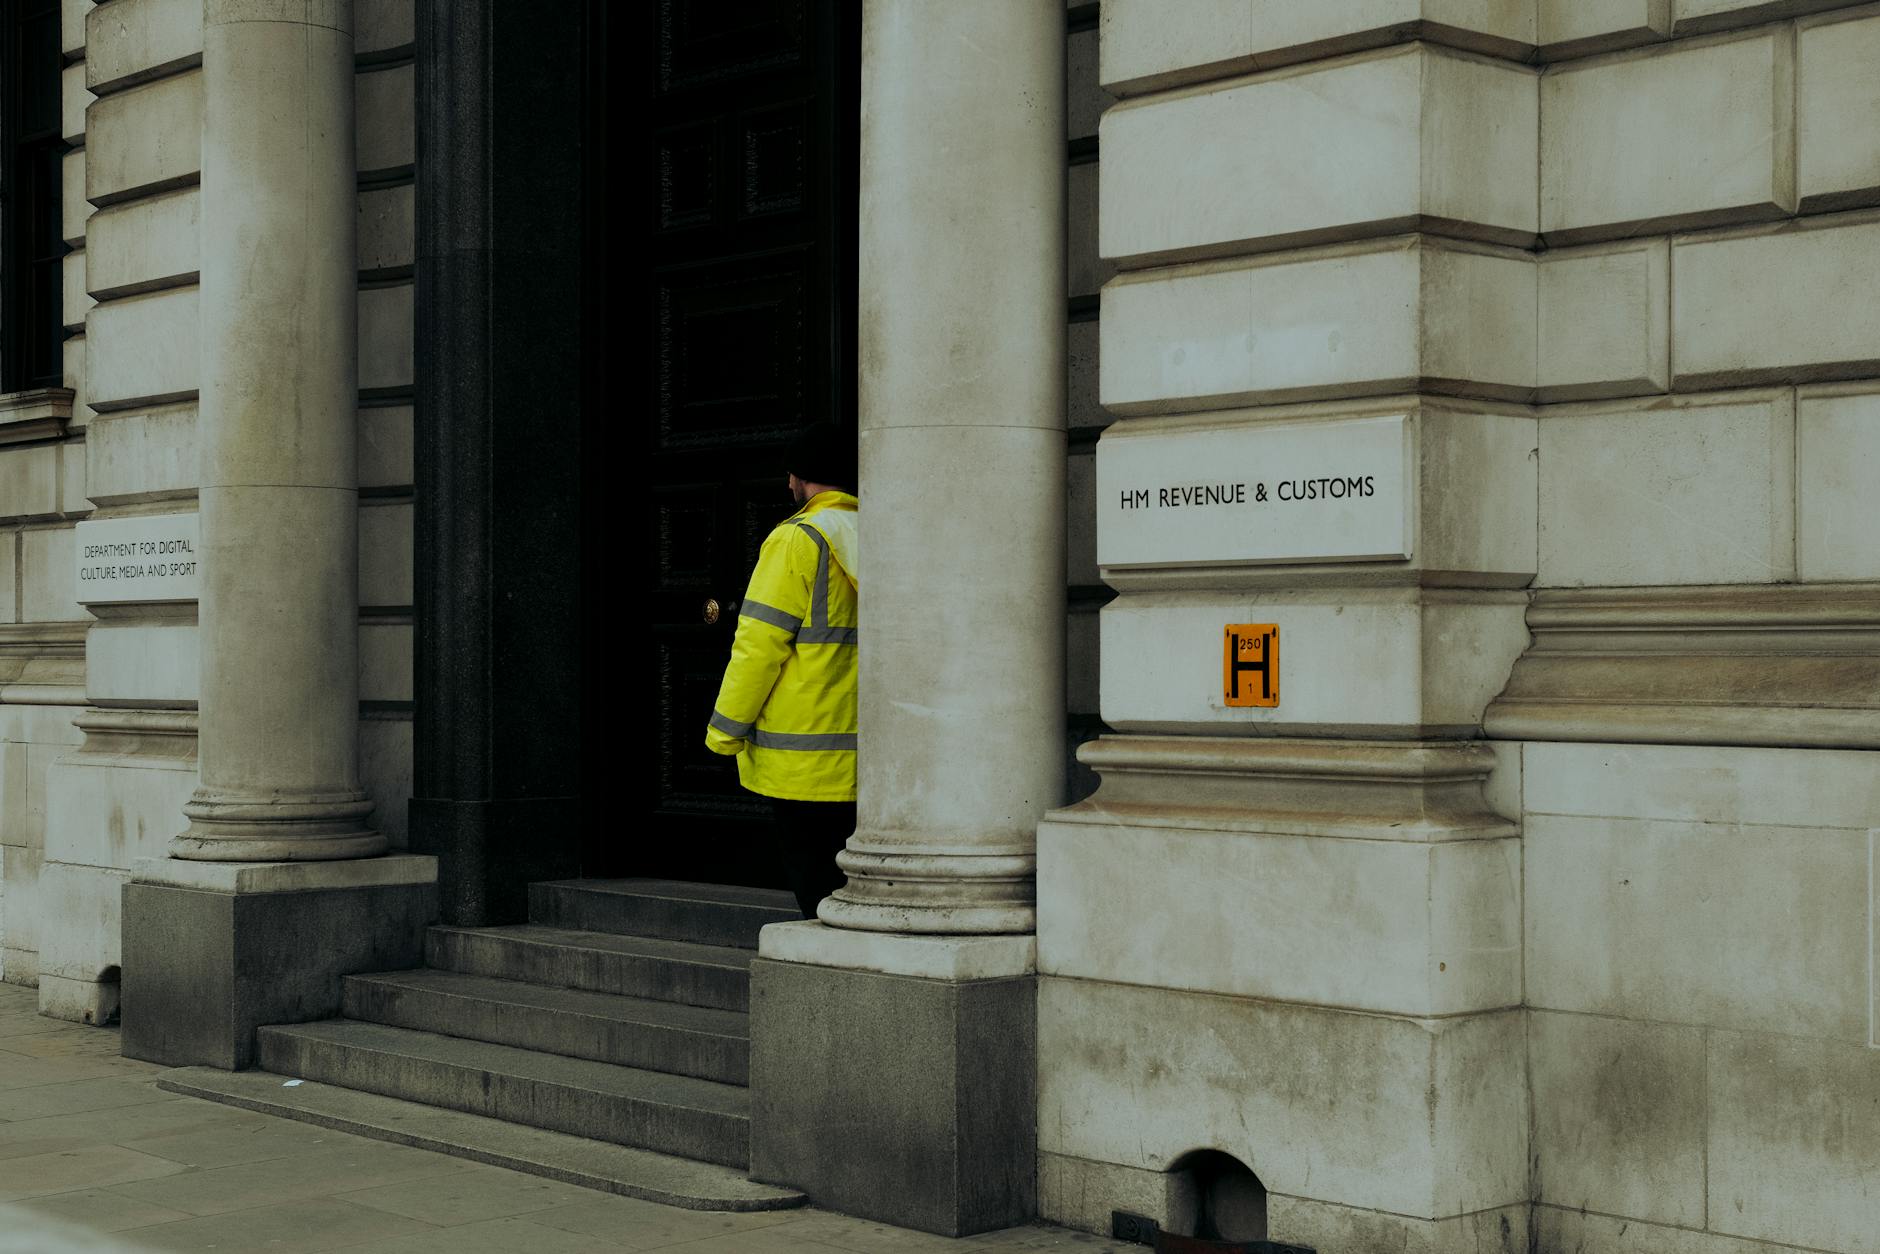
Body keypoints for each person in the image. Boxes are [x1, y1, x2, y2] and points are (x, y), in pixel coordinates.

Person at [705, 424, 859, 918]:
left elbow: (758, 646)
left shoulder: (798, 539)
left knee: (818, 897)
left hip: (803, 761)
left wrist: (724, 734)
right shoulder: (876, 532)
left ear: (801, 478)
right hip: (867, 756)